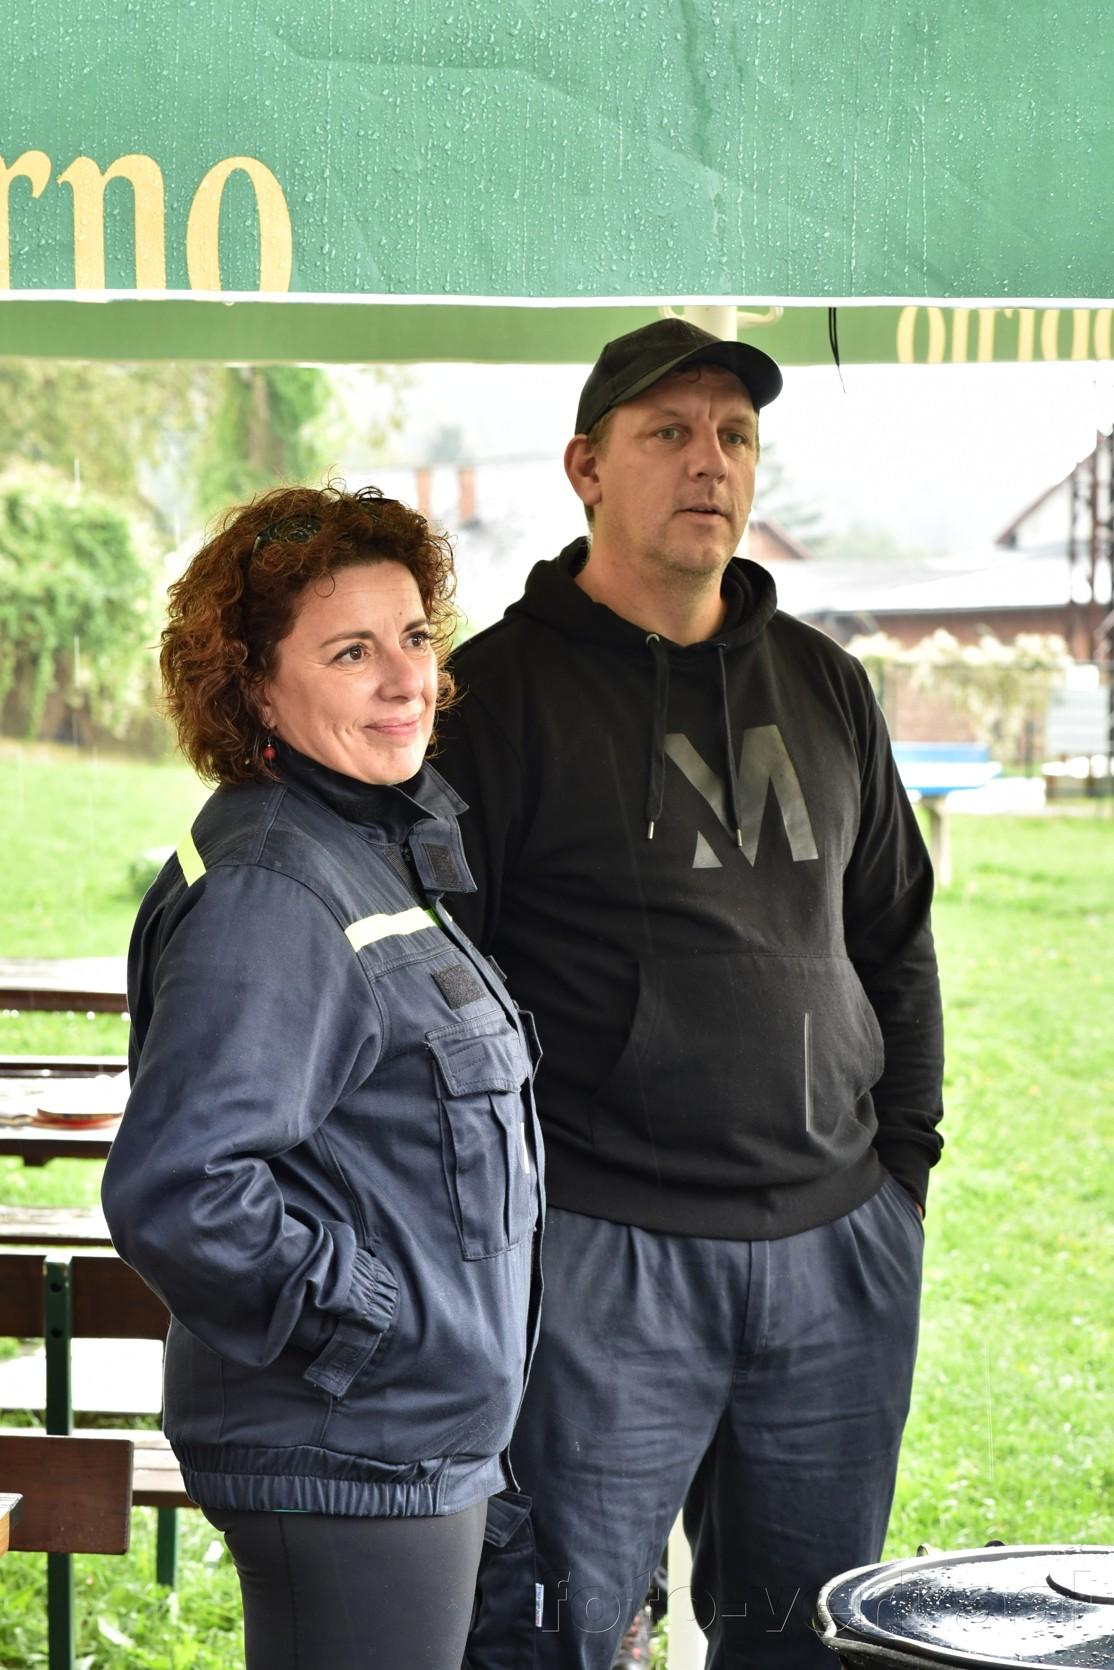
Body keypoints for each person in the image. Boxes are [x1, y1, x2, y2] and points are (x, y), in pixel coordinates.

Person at [437, 317, 945, 1670]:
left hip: (834, 1250)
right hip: (602, 1252)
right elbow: (438, 991)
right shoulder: (491, 697)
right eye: (666, 432)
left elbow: (894, 937)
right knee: (560, 1633)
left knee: (808, 1638)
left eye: (733, 435)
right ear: (586, 467)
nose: (707, 460)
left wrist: (899, 1177)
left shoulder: (826, 683)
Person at [100, 484, 543, 1670]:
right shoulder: (276, 886)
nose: (407, 680)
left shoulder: (361, 844)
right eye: (352, 651)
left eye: (415, 637)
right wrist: (381, 1323)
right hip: (352, 1451)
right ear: (253, 687)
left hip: (404, 1439)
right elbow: (181, 1187)